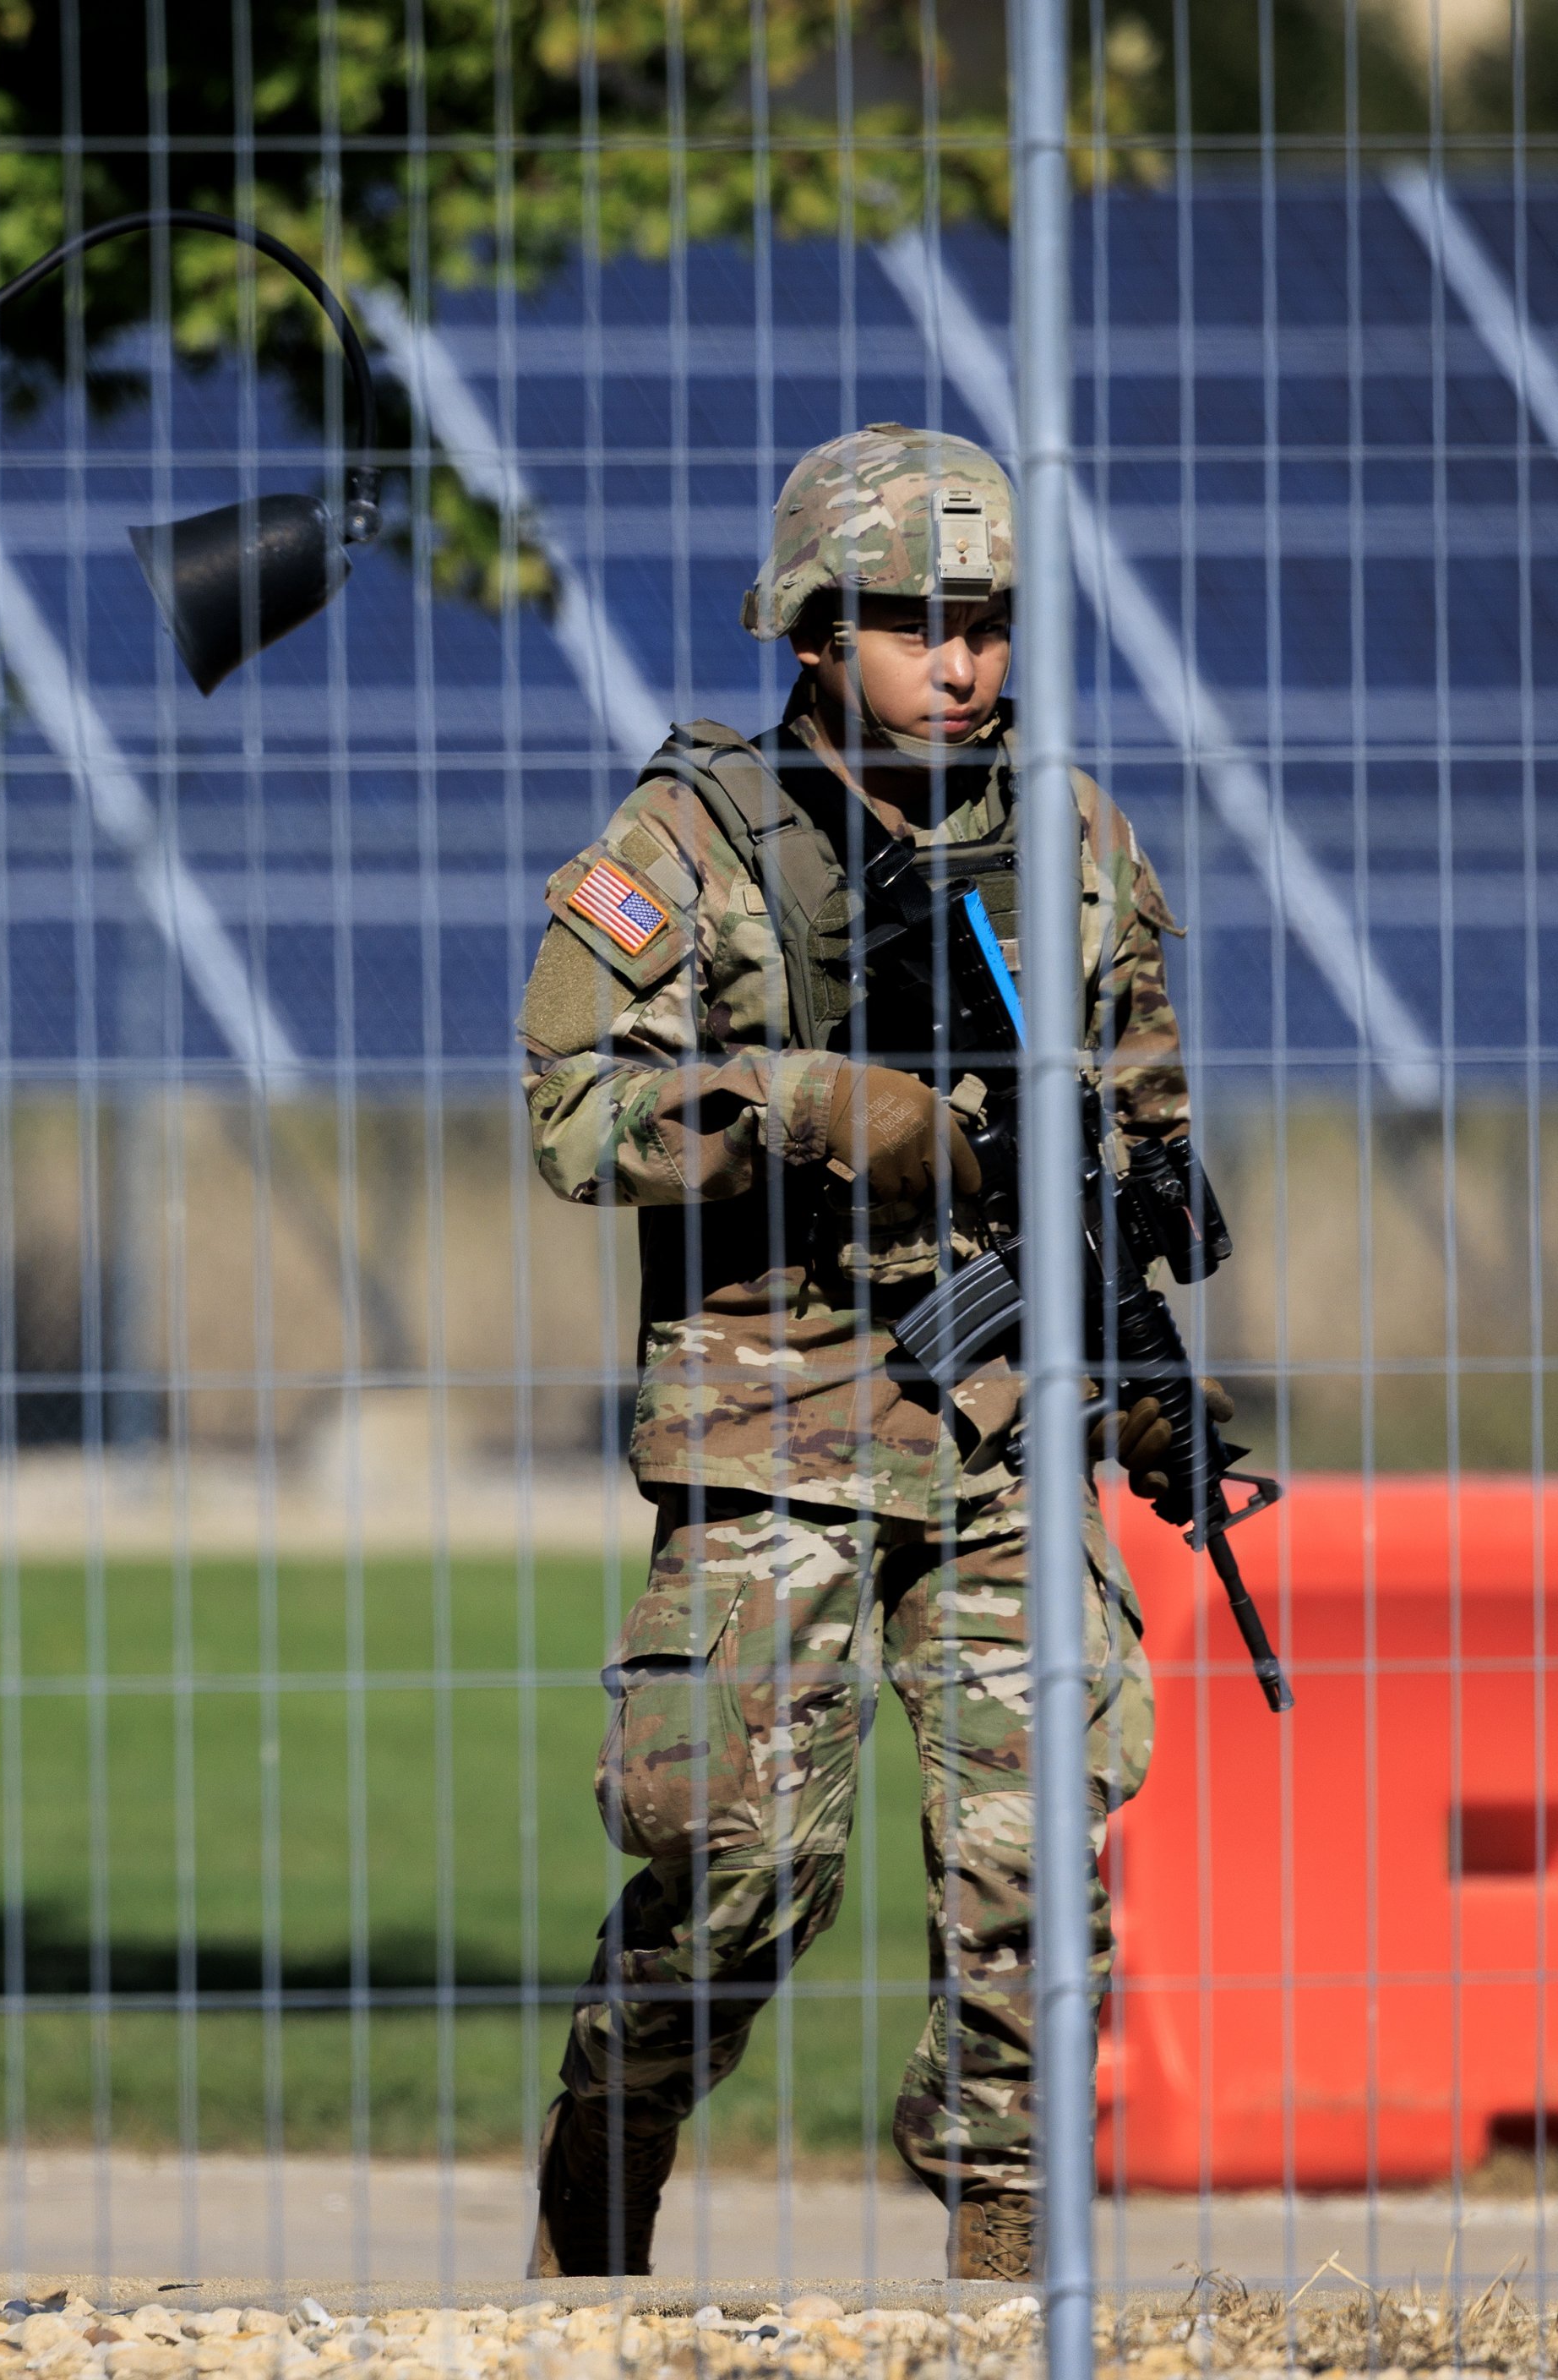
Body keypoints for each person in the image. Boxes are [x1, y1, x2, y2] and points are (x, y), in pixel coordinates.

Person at [513, 423, 1232, 2282]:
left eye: (984, 621)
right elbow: (575, 1118)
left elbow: (1135, 1128)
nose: (962, 660)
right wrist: (802, 1105)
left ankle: (1002, 2249)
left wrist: (1147, 1371)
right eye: (917, 620)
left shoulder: (1069, 843)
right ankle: (612, 2127)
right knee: (739, 1867)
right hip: (772, 1430)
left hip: (1001, 1427)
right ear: (812, 629)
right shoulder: (689, 841)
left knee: (1034, 1867)